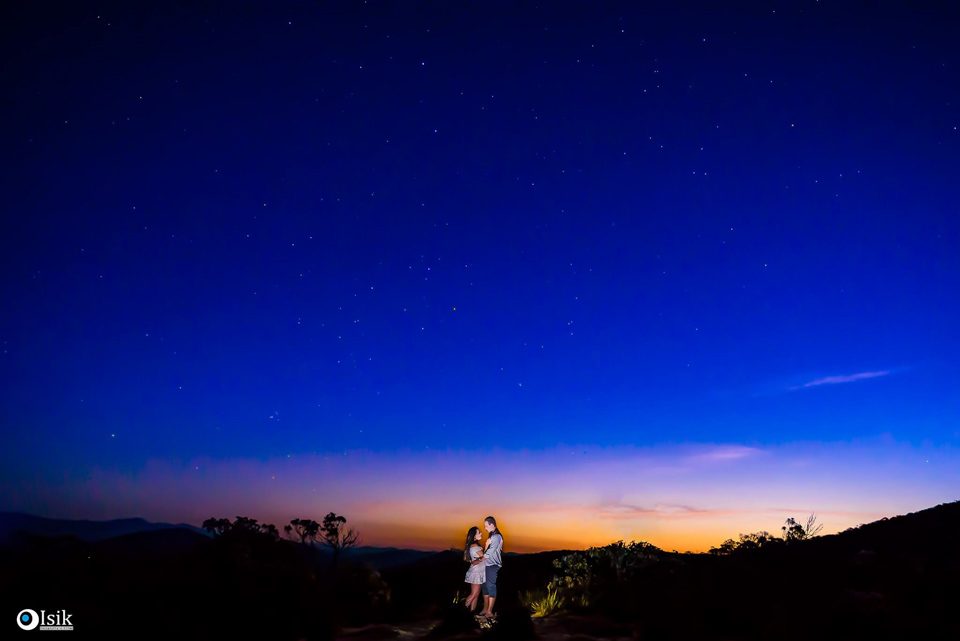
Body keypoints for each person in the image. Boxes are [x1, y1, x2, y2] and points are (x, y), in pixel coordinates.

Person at [470, 516, 503, 621]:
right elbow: (486, 551)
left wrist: (479, 560)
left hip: (493, 565)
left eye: (486, 526)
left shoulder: (496, 537)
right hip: (487, 565)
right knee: (485, 587)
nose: (484, 528)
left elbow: (489, 553)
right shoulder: (491, 536)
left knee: (490, 586)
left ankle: (489, 612)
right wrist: (485, 544)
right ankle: (485, 610)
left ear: (491, 524)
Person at [462, 526, 486, 611]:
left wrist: (476, 560)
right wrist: (479, 560)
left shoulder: (472, 545)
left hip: (478, 571)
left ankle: (471, 613)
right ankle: (461, 611)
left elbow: (467, 558)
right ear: (474, 536)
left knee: (476, 595)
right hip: (477, 572)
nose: (481, 533)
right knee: (474, 594)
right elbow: (485, 557)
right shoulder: (474, 545)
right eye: (479, 532)